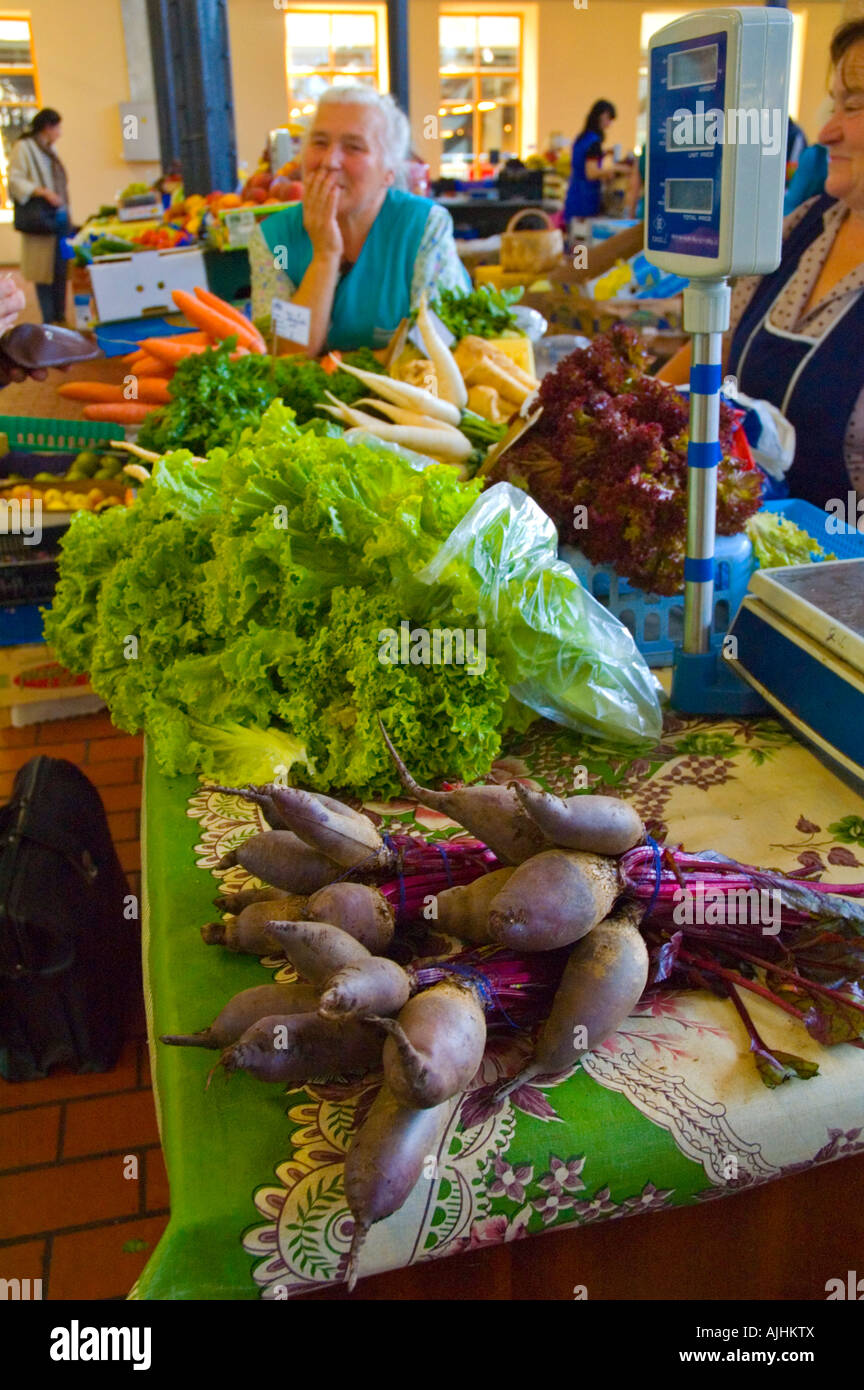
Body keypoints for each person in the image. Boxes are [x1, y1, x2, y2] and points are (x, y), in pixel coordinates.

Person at [658, 19, 864, 508]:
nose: (826, 131)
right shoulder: (801, 229)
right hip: (747, 562)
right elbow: (712, 352)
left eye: (853, 106)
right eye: (833, 103)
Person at [249, 86, 470, 354]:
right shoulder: (278, 242)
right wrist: (325, 255)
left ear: (389, 172)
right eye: (319, 142)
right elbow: (285, 353)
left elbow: (441, 344)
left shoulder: (422, 227)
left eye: (354, 147)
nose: (330, 161)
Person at [7, 108, 70, 324]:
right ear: (47, 127)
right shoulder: (24, 148)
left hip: (59, 216)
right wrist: (43, 192)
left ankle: (60, 317)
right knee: (44, 272)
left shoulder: (50, 149)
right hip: (40, 220)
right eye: (58, 128)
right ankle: (49, 319)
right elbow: (15, 181)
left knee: (61, 269)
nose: (60, 133)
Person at [563, 100, 623, 223]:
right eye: (609, 119)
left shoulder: (583, 138)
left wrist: (604, 154)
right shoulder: (594, 142)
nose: (609, 124)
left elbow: (583, 161)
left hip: (574, 196)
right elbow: (591, 173)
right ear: (602, 116)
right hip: (585, 201)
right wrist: (615, 169)